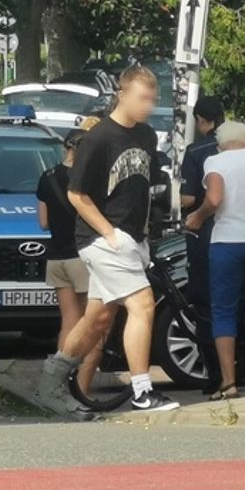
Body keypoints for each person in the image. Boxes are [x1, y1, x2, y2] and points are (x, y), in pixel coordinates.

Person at [34, 66, 179, 414]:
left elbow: (141, 189)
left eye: (153, 99)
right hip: (101, 240)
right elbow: (77, 194)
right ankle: (143, 390)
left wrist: (141, 233)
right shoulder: (98, 139)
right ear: (122, 94)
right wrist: (110, 234)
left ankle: (50, 381)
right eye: (142, 98)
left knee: (97, 319)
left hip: (131, 239)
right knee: (143, 304)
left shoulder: (145, 136)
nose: (148, 105)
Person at [186, 121, 245, 398]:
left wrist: (196, 218)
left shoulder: (215, 161)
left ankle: (229, 383)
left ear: (220, 143)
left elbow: (213, 198)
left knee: (224, 311)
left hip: (226, 242)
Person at [179, 95, 225, 388]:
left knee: (206, 305)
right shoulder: (244, 146)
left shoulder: (196, 152)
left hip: (205, 234)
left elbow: (189, 198)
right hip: (243, 235)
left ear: (200, 121)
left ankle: (215, 374)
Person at [37, 129, 90, 351]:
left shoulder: (46, 177)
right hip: (82, 255)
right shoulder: (87, 178)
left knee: (68, 322)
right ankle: (83, 374)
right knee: (90, 321)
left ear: (65, 147)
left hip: (56, 258)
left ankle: (58, 372)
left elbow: (43, 222)